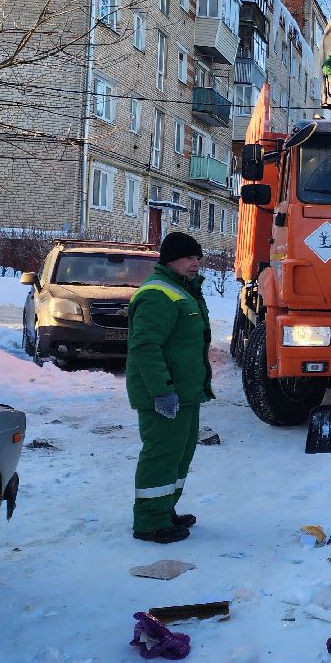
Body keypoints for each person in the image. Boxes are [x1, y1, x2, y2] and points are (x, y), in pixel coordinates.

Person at [126, 232, 214, 544]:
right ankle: (150, 522)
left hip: (186, 392)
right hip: (163, 393)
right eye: (189, 257)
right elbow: (146, 347)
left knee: (180, 455)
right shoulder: (157, 294)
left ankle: (165, 510)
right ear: (171, 260)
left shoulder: (182, 290)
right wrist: (162, 390)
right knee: (161, 455)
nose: (196, 263)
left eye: (198, 257)